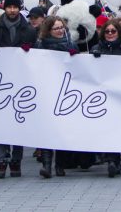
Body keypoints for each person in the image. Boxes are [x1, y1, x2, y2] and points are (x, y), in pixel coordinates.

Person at [0, 0, 36, 178]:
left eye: (15, 7)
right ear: (5, 9)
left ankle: (16, 159)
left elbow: (36, 54)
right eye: (9, 7)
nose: (12, 10)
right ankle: (0, 159)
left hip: (21, 83)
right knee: (0, 122)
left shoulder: (28, 30)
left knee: (18, 121)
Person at [91, 19, 121, 177]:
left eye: (113, 31)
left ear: (119, 32)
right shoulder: (96, 49)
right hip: (104, 98)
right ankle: (112, 160)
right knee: (108, 129)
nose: (110, 34)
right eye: (107, 31)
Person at [33, 16, 73, 179]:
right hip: (47, 91)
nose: (60, 30)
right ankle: (47, 165)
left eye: (61, 27)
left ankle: (60, 164)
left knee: (62, 130)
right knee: (48, 129)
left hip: (65, 93)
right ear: (48, 30)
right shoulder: (41, 46)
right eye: (56, 28)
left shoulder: (70, 44)